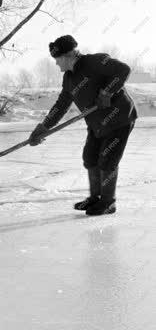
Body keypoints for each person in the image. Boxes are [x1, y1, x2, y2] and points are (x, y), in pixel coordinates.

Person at [29, 35, 136, 216]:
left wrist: (107, 92)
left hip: (119, 119)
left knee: (107, 161)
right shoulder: (69, 79)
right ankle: (96, 198)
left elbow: (124, 70)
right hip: (96, 123)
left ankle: (108, 203)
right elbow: (61, 105)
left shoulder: (95, 61)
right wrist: (43, 128)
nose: (56, 64)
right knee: (90, 158)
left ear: (68, 55)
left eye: (57, 59)